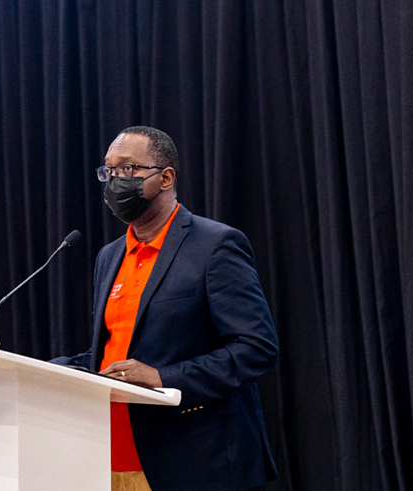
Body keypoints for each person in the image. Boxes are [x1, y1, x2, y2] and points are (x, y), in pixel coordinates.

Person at [52, 126, 278, 491]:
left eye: (127, 169)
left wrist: (164, 378)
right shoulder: (109, 257)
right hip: (108, 459)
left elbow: (256, 349)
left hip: (195, 462)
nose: (115, 180)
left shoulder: (215, 246)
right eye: (108, 171)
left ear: (166, 177)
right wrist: (59, 370)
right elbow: (117, 353)